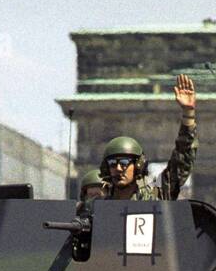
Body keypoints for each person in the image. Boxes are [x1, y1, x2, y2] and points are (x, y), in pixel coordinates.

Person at [78, 74, 197, 208]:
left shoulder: (155, 196)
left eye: (124, 163)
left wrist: (188, 113)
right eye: (112, 163)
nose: (118, 168)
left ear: (138, 165)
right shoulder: (98, 206)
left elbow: (181, 162)